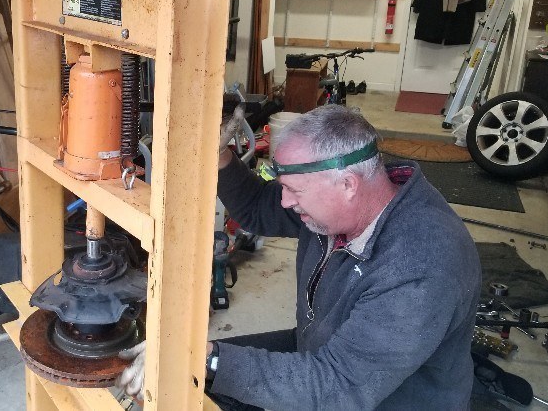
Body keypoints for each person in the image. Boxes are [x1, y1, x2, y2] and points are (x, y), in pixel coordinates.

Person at [118, 104, 481, 410]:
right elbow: (260, 207)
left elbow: (337, 386)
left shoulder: (421, 267)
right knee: (196, 376)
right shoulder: (343, 198)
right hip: (321, 352)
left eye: (293, 190)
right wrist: (220, 157)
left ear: (348, 184)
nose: (286, 201)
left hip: (383, 398)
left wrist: (206, 358)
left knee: (204, 365)